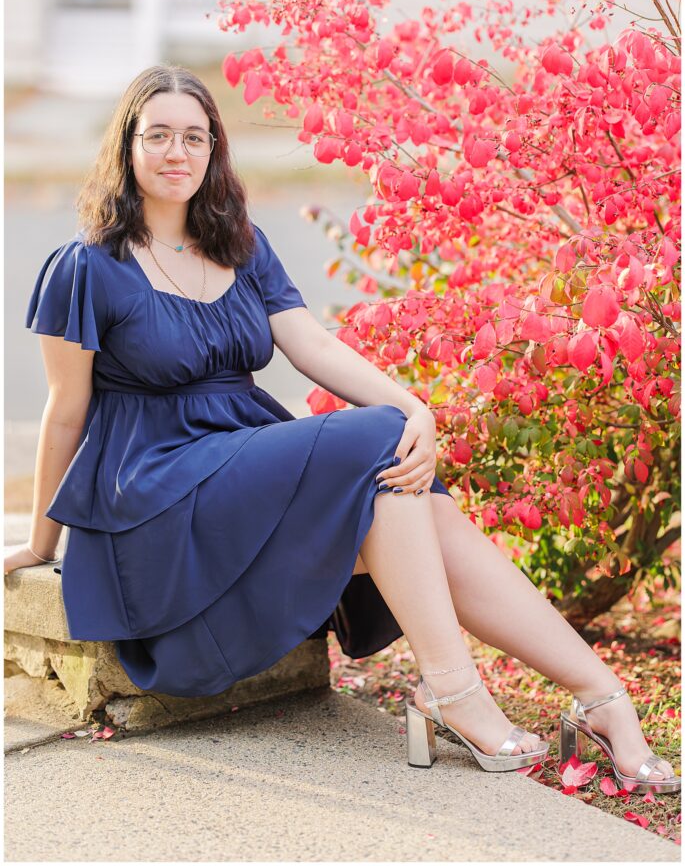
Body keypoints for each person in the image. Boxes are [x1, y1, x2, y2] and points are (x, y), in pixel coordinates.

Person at [6, 65, 678, 791]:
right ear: (126, 146)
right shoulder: (86, 266)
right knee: (377, 445)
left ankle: (600, 697)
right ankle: (456, 692)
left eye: (194, 137)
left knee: (398, 486)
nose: (177, 152)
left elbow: (313, 346)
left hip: (235, 455)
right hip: (154, 483)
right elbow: (67, 408)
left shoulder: (239, 244)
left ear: (213, 150)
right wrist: (43, 545)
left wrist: (417, 408)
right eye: (158, 135)